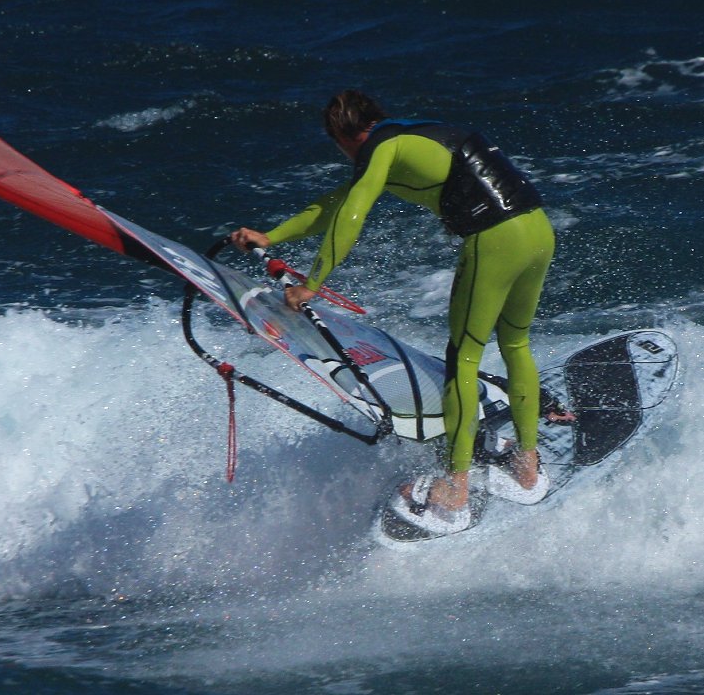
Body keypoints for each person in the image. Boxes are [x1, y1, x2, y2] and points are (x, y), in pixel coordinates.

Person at [231, 89, 559, 535]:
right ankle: (527, 465)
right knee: (516, 343)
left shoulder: (381, 148)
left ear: (342, 135)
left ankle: (455, 486)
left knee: (463, 357)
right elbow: (332, 205)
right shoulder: (412, 136)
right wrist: (271, 237)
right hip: (537, 229)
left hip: (494, 239)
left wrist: (313, 283)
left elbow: (352, 212)